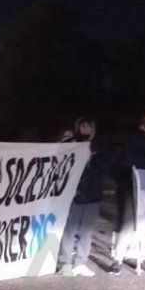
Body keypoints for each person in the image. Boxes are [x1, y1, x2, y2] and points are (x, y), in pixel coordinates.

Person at [106, 109, 145, 275]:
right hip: (132, 186)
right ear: (143, 120)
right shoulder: (134, 136)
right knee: (128, 223)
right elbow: (129, 160)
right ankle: (117, 260)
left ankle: (142, 258)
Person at [57, 118, 103, 277]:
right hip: (74, 194)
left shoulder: (98, 146)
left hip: (93, 194)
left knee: (86, 231)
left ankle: (80, 262)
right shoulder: (70, 143)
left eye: (88, 125)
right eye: (82, 125)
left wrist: (92, 157)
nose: (85, 128)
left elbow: (103, 167)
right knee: (70, 229)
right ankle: (65, 263)